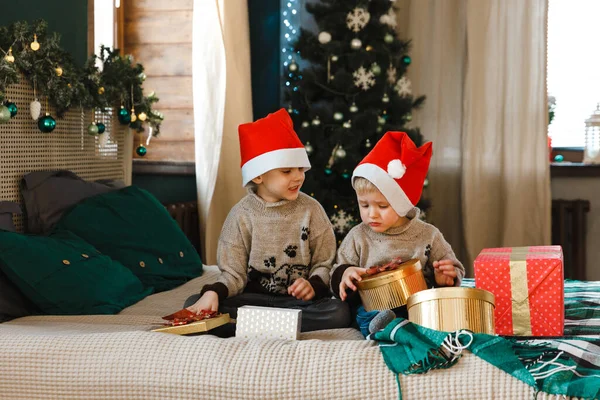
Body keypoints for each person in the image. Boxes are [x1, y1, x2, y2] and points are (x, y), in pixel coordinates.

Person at [184, 109, 350, 336]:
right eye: (286, 171)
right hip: (253, 301)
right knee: (195, 301)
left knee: (339, 312)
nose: (298, 176)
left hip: (296, 304)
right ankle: (274, 325)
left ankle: (251, 326)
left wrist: (313, 285)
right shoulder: (241, 216)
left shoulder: (312, 210)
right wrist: (213, 293)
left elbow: (324, 262)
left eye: (301, 169)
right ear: (258, 176)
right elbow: (233, 274)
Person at [330, 131, 465, 337]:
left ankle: (405, 327)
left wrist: (445, 278)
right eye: (364, 205)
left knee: (433, 309)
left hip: (417, 304)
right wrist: (345, 274)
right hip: (374, 307)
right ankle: (384, 328)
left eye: (382, 206)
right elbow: (337, 270)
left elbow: (453, 267)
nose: (371, 213)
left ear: (402, 204)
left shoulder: (427, 235)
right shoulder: (359, 236)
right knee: (361, 314)